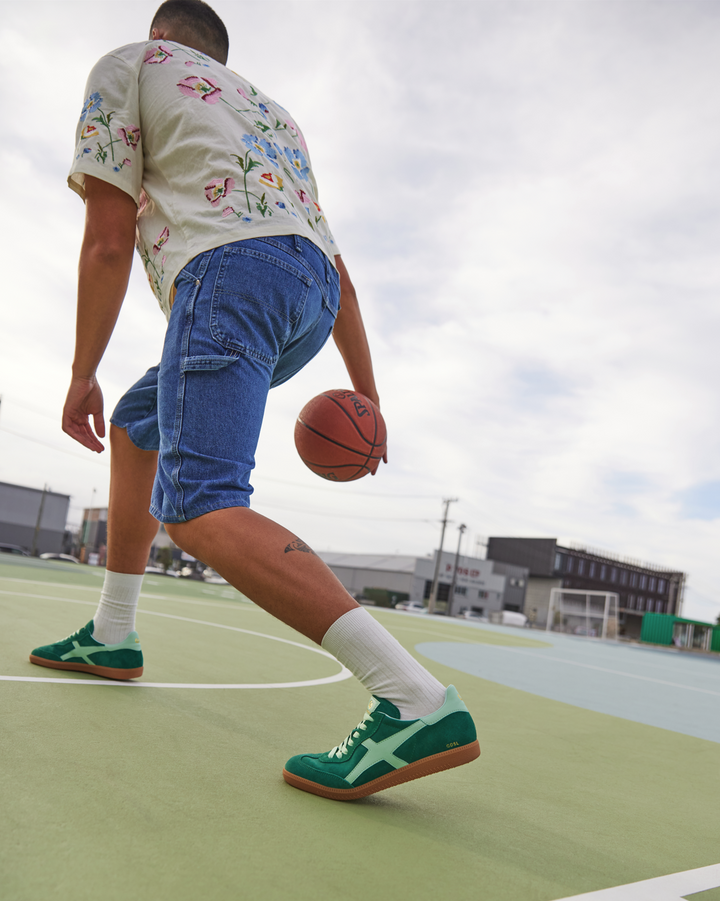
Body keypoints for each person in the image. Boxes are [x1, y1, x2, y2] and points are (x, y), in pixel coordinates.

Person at [29, 0, 479, 800]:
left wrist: (80, 370)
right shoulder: (274, 115)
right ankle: (113, 633)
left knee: (198, 503)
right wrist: (368, 394)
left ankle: (414, 698)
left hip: (228, 276)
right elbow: (337, 271)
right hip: (303, 295)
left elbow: (106, 239)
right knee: (141, 428)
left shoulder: (132, 65)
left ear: (164, 33)